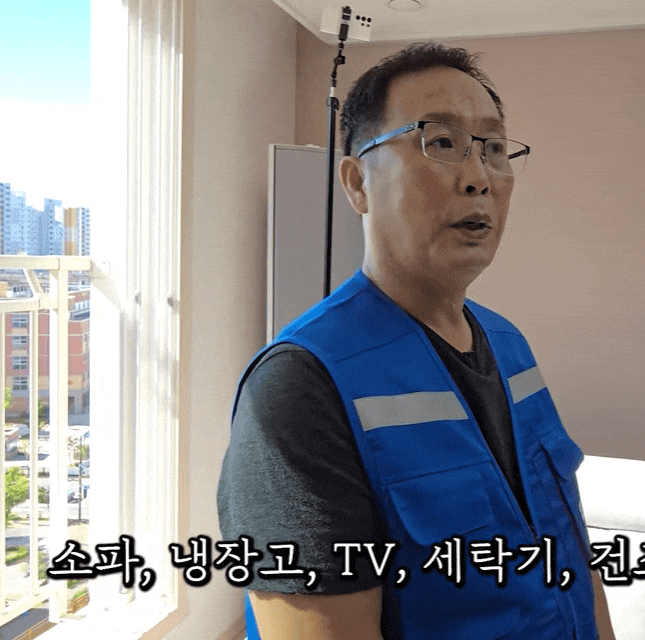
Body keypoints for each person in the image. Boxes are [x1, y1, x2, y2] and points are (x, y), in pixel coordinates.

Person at [217, 42, 616, 640]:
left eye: (494, 148)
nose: (479, 177)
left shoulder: (509, 344)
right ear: (357, 183)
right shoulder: (300, 387)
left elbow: (573, 553)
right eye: (442, 142)